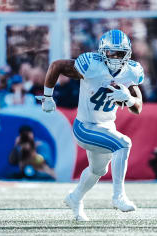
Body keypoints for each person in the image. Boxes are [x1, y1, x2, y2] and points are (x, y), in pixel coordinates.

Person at [36, 29, 144, 221]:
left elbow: (137, 107)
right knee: (124, 143)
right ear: (103, 52)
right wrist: (47, 97)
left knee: (98, 170)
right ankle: (118, 196)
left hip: (106, 127)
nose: (116, 57)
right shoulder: (91, 66)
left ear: (127, 53)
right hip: (85, 126)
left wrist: (128, 99)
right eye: (111, 52)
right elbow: (57, 65)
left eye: (120, 53)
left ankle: (75, 198)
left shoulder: (131, 71)